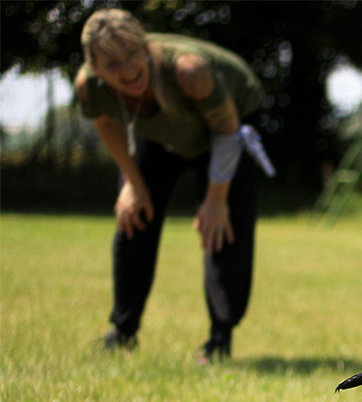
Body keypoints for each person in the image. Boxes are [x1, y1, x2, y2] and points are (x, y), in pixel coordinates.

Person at [75, 8, 275, 362]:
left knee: (221, 229)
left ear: (145, 46)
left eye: (133, 54)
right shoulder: (90, 86)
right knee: (132, 218)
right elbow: (106, 123)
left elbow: (227, 131)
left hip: (227, 128)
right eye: (113, 64)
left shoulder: (188, 71)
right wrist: (132, 182)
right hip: (162, 134)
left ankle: (219, 339)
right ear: (95, 67)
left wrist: (215, 199)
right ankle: (122, 331)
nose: (128, 70)